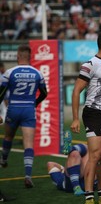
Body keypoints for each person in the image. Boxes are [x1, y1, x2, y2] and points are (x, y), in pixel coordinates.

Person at [70, 31, 101, 204]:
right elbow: (77, 91)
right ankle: (89, 197)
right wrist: (75, 118)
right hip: (93, 113)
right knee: (95, 155)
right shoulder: (90, 65)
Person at [0, 45, 48, 188]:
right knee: (28, 144)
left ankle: (3, 159)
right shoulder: (37, 73)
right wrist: (35, 103)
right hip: (28, 110)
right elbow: (44, 93)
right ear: (30, 57)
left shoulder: (9, 72)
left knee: (8, 137)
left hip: (13, 108)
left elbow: (1, 94)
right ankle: (28, 176)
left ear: (17, 56)